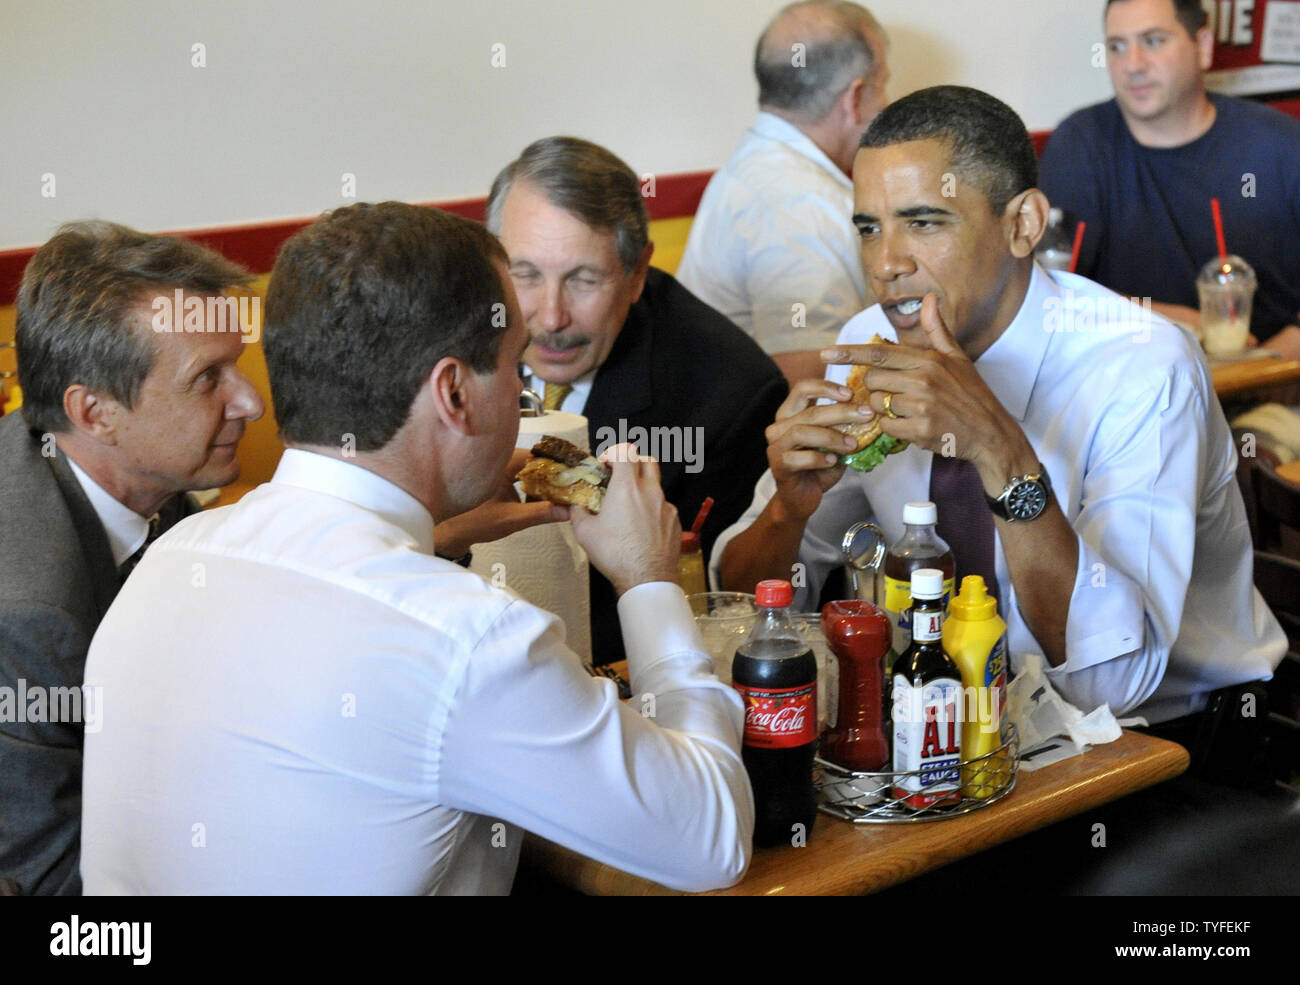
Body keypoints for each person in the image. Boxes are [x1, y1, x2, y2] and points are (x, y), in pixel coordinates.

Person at [80, 201, 754, 895]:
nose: (521, 397)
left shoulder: (173, 555)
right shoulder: (469, 639)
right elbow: (711, 837)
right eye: (514, 368)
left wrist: (432, 538)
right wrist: (648, 579)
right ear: (455, 393)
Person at [713, 85, 1285, 739]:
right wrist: (789, 509)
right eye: (869, 228)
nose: (886, 263)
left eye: (924, 222)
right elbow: (741, 611)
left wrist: (999, 451)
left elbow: (1111, 688)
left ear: (1023, 225)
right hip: (962, 737)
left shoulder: (1141, 367)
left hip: (1174, 741)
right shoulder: (869, 345)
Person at [0, 221, 264, 895]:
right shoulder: (30, 613)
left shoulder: (143, 475)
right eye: (210, 377)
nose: (250, 400)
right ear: (95, 412)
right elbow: (57, 886)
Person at [486, 136, 788, 663]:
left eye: (583, 279)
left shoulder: (729, 395)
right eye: (526, 275)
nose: (551, 317)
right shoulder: (454, 336)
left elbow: (709, 611)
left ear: (636, 273)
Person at [1038, 0, 1300, 360]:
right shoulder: (1079, 144)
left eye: (1154, 41)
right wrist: (1180, 323)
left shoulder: (1278, 144)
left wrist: (1276, 362)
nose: (1132, 65)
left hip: (1271, 386)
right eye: (1116, 46)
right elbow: (1047, 295)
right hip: (1131, 382)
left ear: (1203, 46)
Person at [678, 1, 889, 386]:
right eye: (884, 86)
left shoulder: (761, 170)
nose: (887, 103)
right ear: (854, 98)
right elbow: (806, 380)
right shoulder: (801, 204)